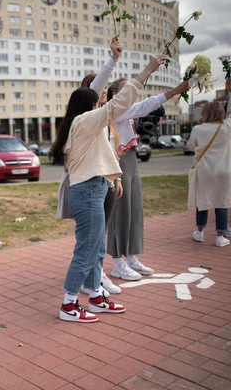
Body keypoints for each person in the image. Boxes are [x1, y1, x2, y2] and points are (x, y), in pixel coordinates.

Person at [52, 53, 167, 323]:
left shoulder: (81, 124)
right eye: (97, 98)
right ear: (89, 104)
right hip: (89, 191)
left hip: (95, 187)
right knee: (87, 249)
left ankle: (94, 296)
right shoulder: (85, 121)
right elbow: (118, 103)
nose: (101, 98)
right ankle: (68, 304)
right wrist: (147, 69)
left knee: (93, 249)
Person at [106, 78, 190, 281]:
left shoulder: (126, 109)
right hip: (119, 158)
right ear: (115, 92)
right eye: (127, 88)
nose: (132, 92)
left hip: (131, 156)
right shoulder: (114, 108)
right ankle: (118, 263)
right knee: (120, 211)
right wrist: (174, 91)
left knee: (135, 209)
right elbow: (144, 106)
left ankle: (132, 258)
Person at [76, 36, 125, 296]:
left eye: (106, 92)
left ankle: (97, 275)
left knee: (101, 233)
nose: (104, 94)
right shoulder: (85, 118)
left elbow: (109, 154)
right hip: (89, 185)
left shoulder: (106, 119)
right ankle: (92, 279)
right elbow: (97, 86)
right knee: (91, 236)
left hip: (106, 182)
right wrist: (113, 60)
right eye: (100, 92)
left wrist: (116, 179)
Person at [187, 93, 231, 247]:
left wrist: (201, 124)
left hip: (204, 171)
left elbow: (190, 147)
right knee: (221, 202)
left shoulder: (198, 129)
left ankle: (199, 232)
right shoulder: (227, 127)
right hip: (224, 171)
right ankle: (220, 236)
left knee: (202, 201)